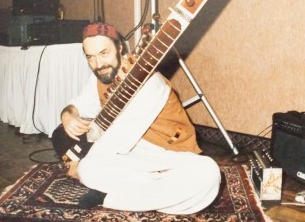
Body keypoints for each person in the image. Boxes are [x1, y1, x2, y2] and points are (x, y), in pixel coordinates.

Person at [51, 21, 221, 214]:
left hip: (171, 154)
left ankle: (111, 198)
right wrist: (68, 116)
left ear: (120, 48)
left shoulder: (151, 83)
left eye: (104, 53)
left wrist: (80, 163)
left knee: (209, 174)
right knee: (88, 168)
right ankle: (160, 196)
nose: (98, 64)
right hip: (134, 155)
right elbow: (79, 105)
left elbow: (116, 140)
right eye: (90, 57)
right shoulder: (101, 76)